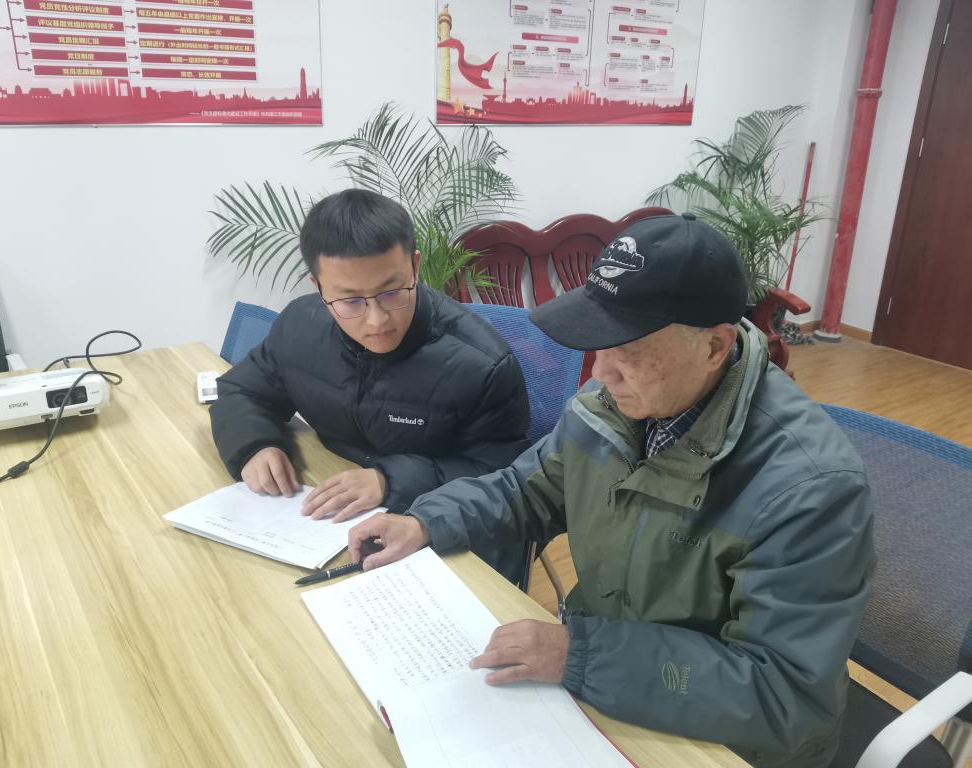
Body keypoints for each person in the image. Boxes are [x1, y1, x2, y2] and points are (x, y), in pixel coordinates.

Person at [348, 213, 875, 768]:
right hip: (608, 690)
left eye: (629, 351)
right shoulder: (608, 413)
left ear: (715, 347)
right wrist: (426, 521)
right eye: (598, 346)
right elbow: (525, 491)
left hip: (726, 744)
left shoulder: (809, 489)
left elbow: (785, 693)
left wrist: (584, 655)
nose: (601, 374)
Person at [210, 188, 531, 523]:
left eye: (391, 292)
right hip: (325, 509)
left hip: (430, 521)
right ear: (318, 287)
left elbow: (503, 476)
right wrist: (255, 445)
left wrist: (388, 480)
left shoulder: (483, 366)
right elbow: (243, 390)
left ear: (415, 266)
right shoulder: (299, 326)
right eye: (350, 301)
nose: (377, 320)